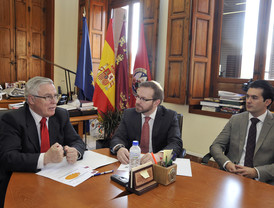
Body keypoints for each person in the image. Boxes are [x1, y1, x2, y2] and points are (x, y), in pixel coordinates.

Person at [0, 76, 86, 207]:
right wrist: (45, 158)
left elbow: (77, 141)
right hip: (23, 182)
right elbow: (9, 158)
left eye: (55, 96)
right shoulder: (12, 120)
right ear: (31, 99)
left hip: (56, 179)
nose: (54, 101)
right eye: (47, 97)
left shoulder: (61, 115)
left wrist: (76, 152)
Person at [210, 80, 274, 185]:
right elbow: (216, 146)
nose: (248, 101)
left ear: (267, 102)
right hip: (232, 177)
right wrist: (226, 163)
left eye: (254, 98)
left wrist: (256, 172)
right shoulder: (236, 119)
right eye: (247, 96)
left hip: (262, 181)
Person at [110, 81, 183, 165]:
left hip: (157, 166)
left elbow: (176, 144)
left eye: (143, 99)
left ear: (156, 102)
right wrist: (119, 148)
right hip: (132, 164)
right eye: (137, 97)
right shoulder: (129, 114)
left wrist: (159, 156)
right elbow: (117, 137)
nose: (137, 101)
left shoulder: (169, 116)